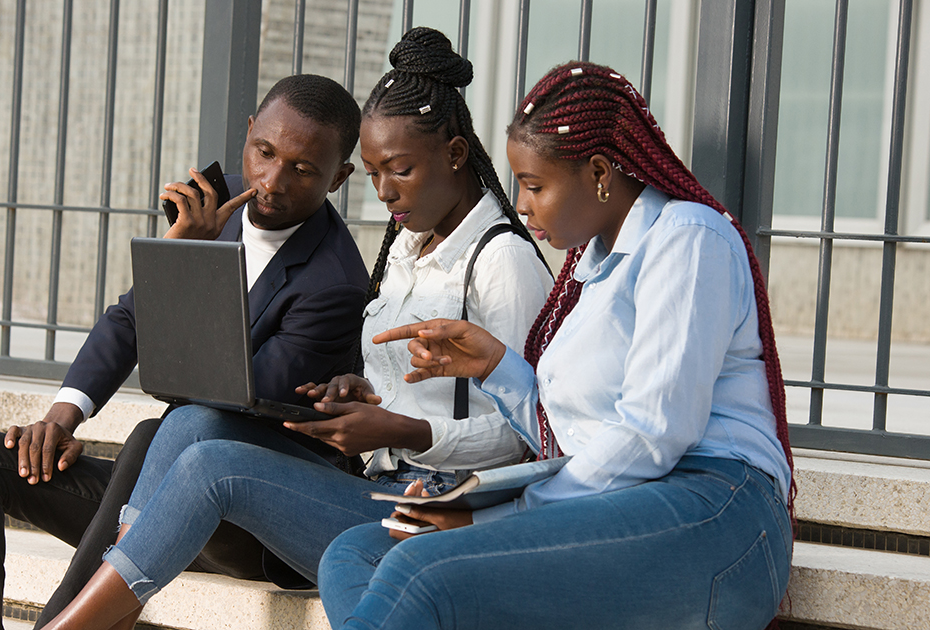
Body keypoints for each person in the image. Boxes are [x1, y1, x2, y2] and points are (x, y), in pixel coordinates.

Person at [35, 27, 553, 630]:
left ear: (456, 155)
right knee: (189, 422)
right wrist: (359, 390)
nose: (383, 192)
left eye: (400, 171)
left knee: (210, 466)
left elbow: (528, 435)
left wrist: (402, 428)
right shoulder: (410, 246)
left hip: (441, 512)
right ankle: (111, 618)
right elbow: (413, 384)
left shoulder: (504, 263)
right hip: (379, 490)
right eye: (375, 172)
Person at [317, 61, 797, 630]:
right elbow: (571, 434)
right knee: (355, 553)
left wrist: (500, 514)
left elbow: (652, 435)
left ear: (598, 172)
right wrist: (497, 367)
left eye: (535, 185)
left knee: (420, 568)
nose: (521, 205)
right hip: (616, 506)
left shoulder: (687, 239)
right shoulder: (588, 270)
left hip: (714, 514)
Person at [0, 73, 370, 630]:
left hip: (250, 525)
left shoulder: (334, 283)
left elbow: (218, 393)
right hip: (158, 498)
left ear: (340, 177)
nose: (272, 180)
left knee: (162, 430)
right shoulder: (216, 204)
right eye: (264, 152)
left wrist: (181, 262)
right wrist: (62, 417)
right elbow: (130, 319)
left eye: (303, 169)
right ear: (250, 131)